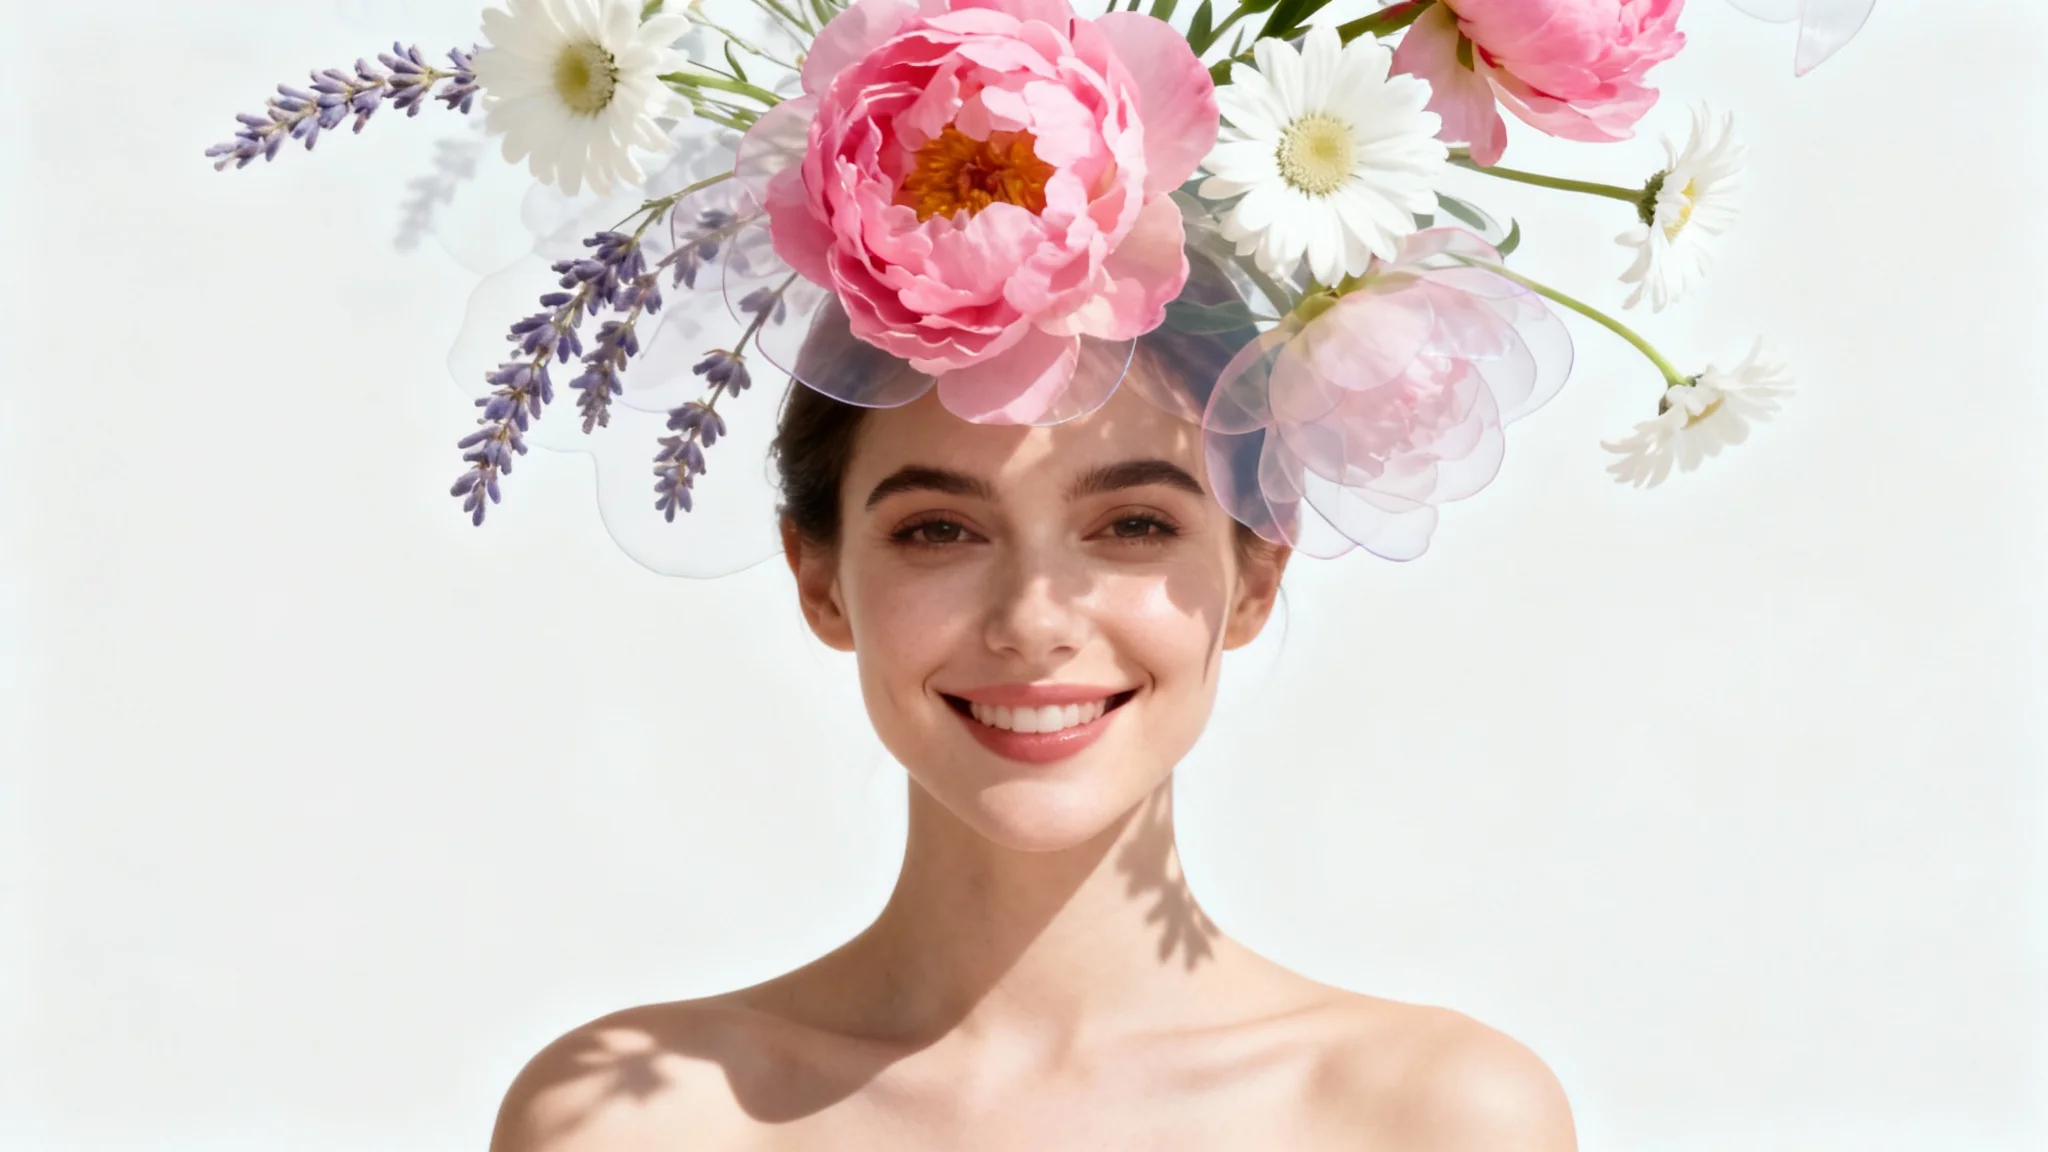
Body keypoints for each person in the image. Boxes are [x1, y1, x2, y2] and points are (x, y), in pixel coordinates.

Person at [484, 309, 1580, 1147]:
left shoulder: (1436, 1121)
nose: (1033, 622)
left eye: (1134, 524)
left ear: (1256, 571)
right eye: (940, 530)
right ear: (816, 579)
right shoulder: (636, 1117)